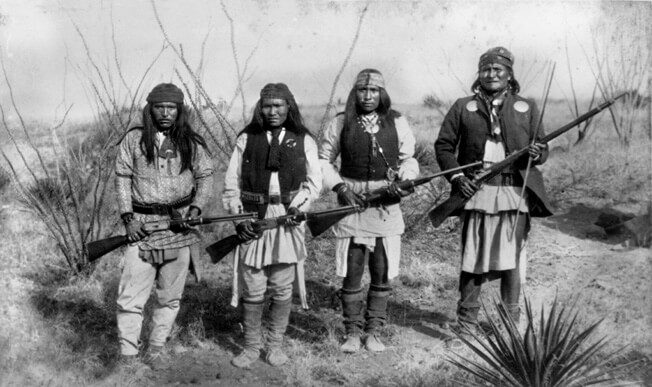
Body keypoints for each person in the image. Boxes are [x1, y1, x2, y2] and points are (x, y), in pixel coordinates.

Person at [434, 47, 553, 338]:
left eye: (498, 69)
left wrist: (538, 153)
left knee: (511, 260)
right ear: (479, 74)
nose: (492, 74)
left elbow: (543, 147)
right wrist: (459, 176)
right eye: (486, 69)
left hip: (514, 193)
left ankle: (510, 325)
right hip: (476, 192)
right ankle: (466, 325)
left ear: (509, 74)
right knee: (472, 259)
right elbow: (444, 147)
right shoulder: (463, 106)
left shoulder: (527, 107)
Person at [115, 83, 214, 368]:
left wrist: (196, 207)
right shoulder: (134, 140)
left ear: (180, 110)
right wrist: (128, 218)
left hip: (179, 229)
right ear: (150, 109)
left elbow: (206, 175)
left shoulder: (191, 142)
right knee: (130, 297)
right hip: (141, 229)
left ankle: (156, 348)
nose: (166, 113)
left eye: (172, 108)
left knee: (170, 297)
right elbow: (121, 177)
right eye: (160, 107)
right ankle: (128, 355)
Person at [320, 69, 419, 353]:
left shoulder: (397, 122)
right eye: (362, 90)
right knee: (352, 270)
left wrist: (405, 179)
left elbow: (408, 158)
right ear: (355, 93)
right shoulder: (341, 123)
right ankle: (351, 331)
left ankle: (374, 331)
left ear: (382, 93)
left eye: (374, 91)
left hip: (385, 203)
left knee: (381, 269)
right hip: (351, 204)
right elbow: (323, 160)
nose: (368, 96)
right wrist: (340, 188)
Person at [222, 83, 321, 368]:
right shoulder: (247, 138)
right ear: (260, 107)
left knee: (281, 286)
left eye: (279, 105)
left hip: (287, 219)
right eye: (268, 106)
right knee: (252, 286)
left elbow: (314, 184)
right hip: (253, 217)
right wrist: (239, 217)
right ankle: (251, 347)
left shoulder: (304, 139)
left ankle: (274, 346)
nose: (273, 111)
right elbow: (231, 183)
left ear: (289, 107)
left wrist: (297, 207)